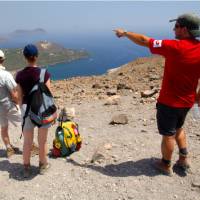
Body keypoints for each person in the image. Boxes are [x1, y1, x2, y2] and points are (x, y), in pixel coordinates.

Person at [114, 13, 200, 176]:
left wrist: (125, 33)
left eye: (176, 26)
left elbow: (145, 41)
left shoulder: (175, 46)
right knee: (179, 127)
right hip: (187, 102)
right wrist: (198, 96)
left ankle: (165, 165)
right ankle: (183, 158)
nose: (173, 29)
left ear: (184, 29)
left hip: (169, 102)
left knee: (168, 135)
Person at [16, 44, 52, 178]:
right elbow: (49, 94)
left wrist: (21, 108)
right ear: (36, 56)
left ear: (25, 57)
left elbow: (19, 96)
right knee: (42, 141)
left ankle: (26, 167)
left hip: (26, 109)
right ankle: (43, 165)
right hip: (42, 109)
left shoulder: (19, 75)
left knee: (27, 141)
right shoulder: (44, 73)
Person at [0, 49, 21, 158]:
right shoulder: (5, 75)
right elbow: (14, 93)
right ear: (2, 60)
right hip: (9, 105)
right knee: (24, 123)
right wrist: (19, 103)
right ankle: (31, 146)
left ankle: (9, 148)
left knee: (4, 127)